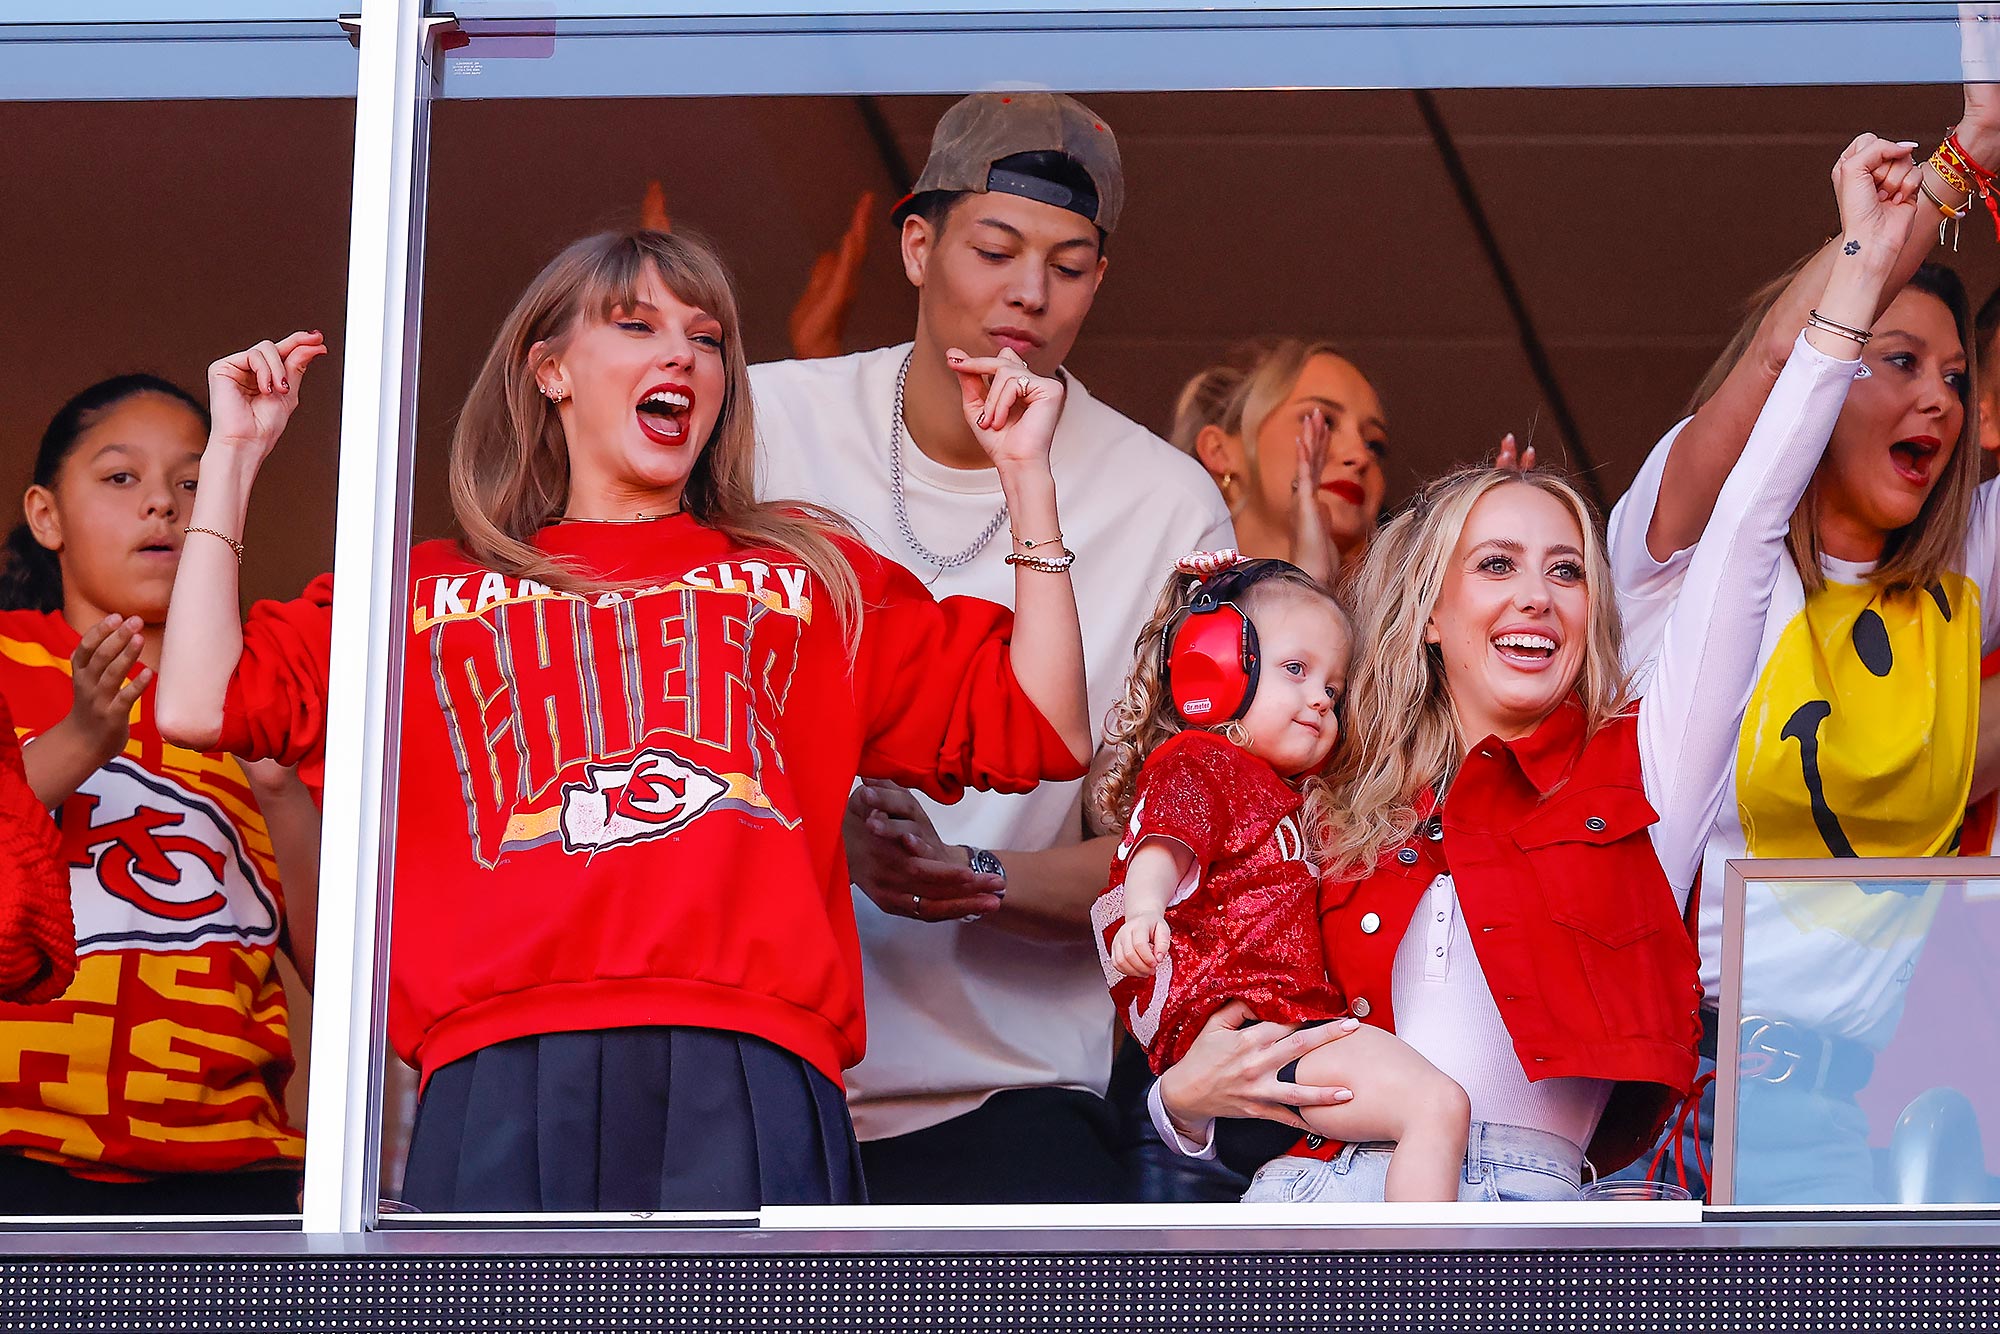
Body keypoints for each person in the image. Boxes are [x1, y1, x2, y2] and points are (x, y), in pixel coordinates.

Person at [154, 227, 1094, 1213]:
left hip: (753, 1055)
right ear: (550, 368)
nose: (681, 354)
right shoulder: (425, 588)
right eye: (637, 325)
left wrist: (1024, 475)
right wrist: (235, 453)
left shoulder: (804, 573)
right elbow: (198, 699)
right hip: (499, 1061)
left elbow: (1041, 724)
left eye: (706, 336)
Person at [1146, 132, 1919, 1201]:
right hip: (1309, 1200)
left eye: (1565, 570)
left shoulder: (1640, 769)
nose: (1534, 595)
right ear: (1427, 612)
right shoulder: (1336, 795)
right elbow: (1208, 998)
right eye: (1496, 564)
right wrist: (1175, 1103)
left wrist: (1858, 271)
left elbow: (1745, 526)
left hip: (1526, 1216)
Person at [751, 92, 1231, 1204]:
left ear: (1098, 281)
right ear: (916, 246)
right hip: (758, 1067)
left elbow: (1179, 847)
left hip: (1004, 1091)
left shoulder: (1166, 503)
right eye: (996, 247)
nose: (1029, 291)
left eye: (1069, 263)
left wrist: (969, 874)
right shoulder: (765, 423)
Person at [1607, 119, 2000, 1203]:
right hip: (1657, 1084)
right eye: (1899, 361)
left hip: (1833, 1113)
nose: (1938, 397)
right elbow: (1780, 355)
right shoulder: (1682, 553)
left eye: (1956, 377)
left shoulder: (1961, 567)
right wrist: (1950, 170)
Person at [0, 374, 315, 1214]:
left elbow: (355, 982)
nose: (162, 508)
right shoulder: (4, 663)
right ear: (46, 515)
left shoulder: (273, 691)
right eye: (120, 478)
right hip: (22, 1152)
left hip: (232, 1173)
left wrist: (281, 791)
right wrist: (76, 744)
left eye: (190, 482)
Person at [1091, 552, 1469, 1201]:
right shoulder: (1202, 759)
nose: (1320, 698)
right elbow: (1164, 840)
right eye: (1297, 670)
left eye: (1334, 689)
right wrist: (1146, 910)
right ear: (1217, 666)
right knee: (1436, 1105)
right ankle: (1423, 1291)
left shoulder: (1285, 790)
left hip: (1275, 1050)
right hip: (1259, 1044)